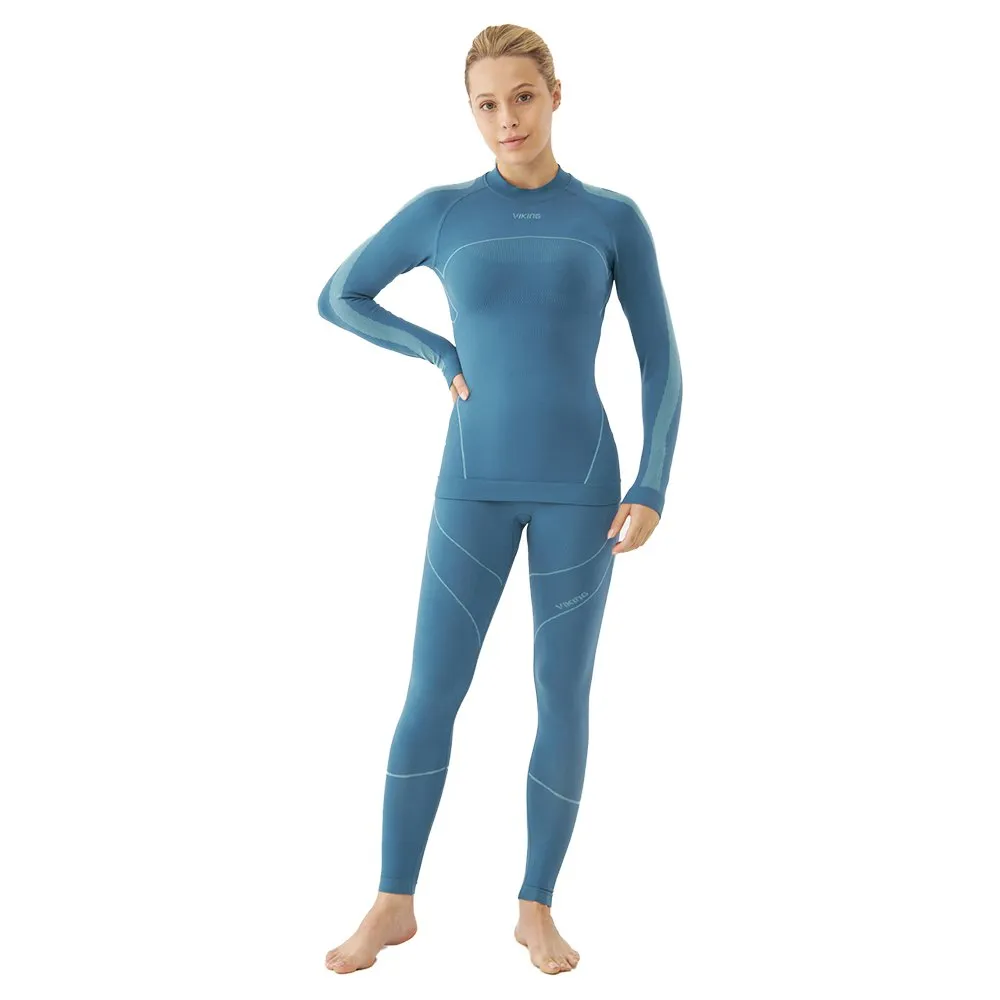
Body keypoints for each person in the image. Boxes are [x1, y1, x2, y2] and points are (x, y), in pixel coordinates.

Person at [317, 23, 682, 976]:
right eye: (486, 104)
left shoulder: (612, 218)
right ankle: (393, 901)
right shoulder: (443, 213)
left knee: (560, 691)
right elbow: (341, 295)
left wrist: (652, 482)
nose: (506, 119)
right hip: (471, 485)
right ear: (470, 110)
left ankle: (536, 906)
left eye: (522, 96)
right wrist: (436, 350)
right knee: (431, 689)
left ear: (555, 94)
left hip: (581, 489)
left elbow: (661, 360)